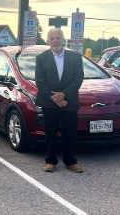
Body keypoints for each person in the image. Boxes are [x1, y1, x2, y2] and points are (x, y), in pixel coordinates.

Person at [35, 28, 84, 173]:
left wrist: (64, 95)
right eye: (52, 38)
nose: (55, 40)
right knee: (50, 132)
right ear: (47, 41)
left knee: (70, 133)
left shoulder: (75, 57)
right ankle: (50, 161)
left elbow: (78, 79)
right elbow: (40, 81)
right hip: (49, 102)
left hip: (70, 101)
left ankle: (70, 161)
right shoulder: (41, 58)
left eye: (58, 38)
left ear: (64, 40)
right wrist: (55, 98)